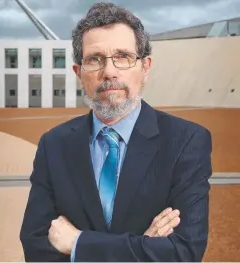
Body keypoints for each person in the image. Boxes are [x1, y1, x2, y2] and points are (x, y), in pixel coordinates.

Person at [20, 2, 212, 262]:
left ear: (145, 67)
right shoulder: (53, 145)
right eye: (94, 59)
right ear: (79, 73)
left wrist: (78, 243)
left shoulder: (186, 142)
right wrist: (143, 246)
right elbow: (35, 248)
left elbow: (183, 252)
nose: (109, 71)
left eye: (123, 56)